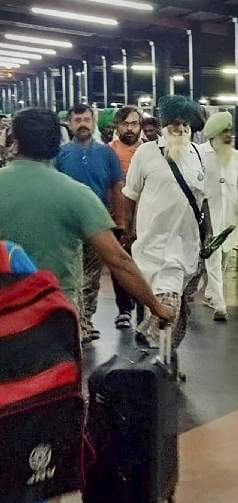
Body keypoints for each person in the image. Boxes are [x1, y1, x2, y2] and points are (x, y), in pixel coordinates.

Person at [0, 108, 173, 333]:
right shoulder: (76, 193)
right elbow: (119, 261)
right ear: (56, 144)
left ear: (16, 141)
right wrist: (157, 307)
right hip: (54, 318)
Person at [121, 95, 208, 360]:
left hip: (187, 247)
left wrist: (209, 237)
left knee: (177, 307)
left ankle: (163, 356)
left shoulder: (197, 155)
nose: (180, 128)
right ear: (164, 124)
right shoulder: (146, 154)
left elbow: (203, 201)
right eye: (174, 123)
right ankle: (152, 357)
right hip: (152, 247)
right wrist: (126, 231)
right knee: (164, 306)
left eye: (185, 124)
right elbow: (130, 195)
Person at [56, 103, 125, 342]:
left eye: (86, 119)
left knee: (92, 276)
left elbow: (116, 187)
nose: (82, 123)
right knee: (72, 274)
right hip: (68, 223)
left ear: (93, 122)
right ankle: (76, 321)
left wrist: (120, 220)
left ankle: (86, 320)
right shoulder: (61, 154)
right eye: (77, 120)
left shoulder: (106, 153)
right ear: (71, 124)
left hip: (98, 221)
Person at [198, 111, 238, 321]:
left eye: (230, 131)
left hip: (230, 218)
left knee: (222, 257)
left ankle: (211, 293)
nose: (229, 135)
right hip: (208, 219)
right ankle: (220, 304)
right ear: (214, 134)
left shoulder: (234, 157)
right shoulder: (200, 154)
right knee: (213, 258)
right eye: (225, 131)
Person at [107, 105, 144, 329]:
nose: (130, 128)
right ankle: (124, 310)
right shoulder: (108, 151)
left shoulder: (151, 151)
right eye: (125, 124)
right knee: (119, 266)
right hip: (117, 220)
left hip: (146, 220)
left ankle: (143, 311)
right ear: (117, 126)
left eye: (134, 124)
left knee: (143, 266)